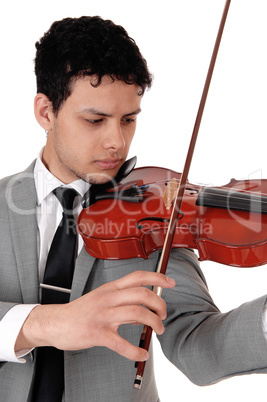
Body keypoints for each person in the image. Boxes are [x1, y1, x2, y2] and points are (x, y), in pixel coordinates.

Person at [1, 15, 267, 402]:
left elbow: (198, 347)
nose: (116, 141)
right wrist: (47, 323)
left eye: (128, 120)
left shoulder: (155, 215)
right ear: (46, 112)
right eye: (95, 120)